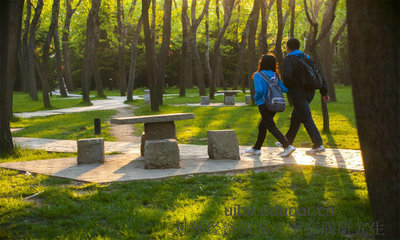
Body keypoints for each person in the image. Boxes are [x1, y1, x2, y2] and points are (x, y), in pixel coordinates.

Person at [279, 38, 330, 155]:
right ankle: (287, 141)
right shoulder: (306, 57)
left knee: (306, 117)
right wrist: (324, 92)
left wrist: (289, 88)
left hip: (298, 92)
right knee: (296, 117)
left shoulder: (289, 59)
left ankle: (318, 144)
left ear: (287, 47)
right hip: (310, 92)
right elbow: (319, 75)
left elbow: (287, 77)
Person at [245, 54, 296, 157]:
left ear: (261, 63)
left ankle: (287, 146)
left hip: (263, 104)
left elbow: (259, 90)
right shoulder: (275, 75)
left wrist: (256, 98)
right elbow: (285, 89)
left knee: (270, 126)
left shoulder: (258, 75)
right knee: (262, 126)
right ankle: (256, 148)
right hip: (274, 104)